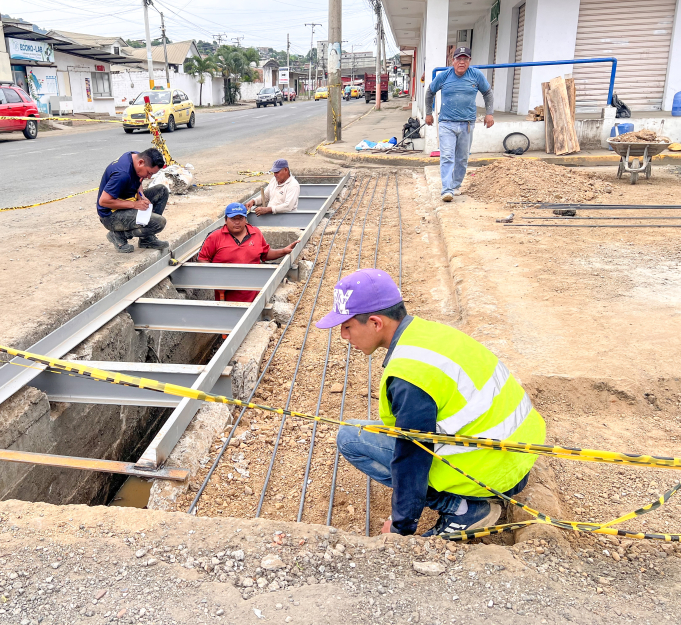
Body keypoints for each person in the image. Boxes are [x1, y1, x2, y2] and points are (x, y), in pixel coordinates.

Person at [316, 268, 546, 537]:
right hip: (516, 461)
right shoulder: (430, 333)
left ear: (376, 323)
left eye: (347, 327)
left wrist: (400, 526)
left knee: (350, 437)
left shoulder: (410, 375)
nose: (344, 336)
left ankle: (463, 509)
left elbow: (412, 457)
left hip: (491, 473)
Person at [425, 47, 495, 203]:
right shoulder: (444, 76)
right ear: (452, 60)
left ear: (469, 61)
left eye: (465, 59)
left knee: (462, 158)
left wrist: (489, 113)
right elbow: (430, 91)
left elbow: (488, 93)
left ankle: (455, 186)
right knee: (448, 156)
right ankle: (446, 189)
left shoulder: (476, 75)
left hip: (467, 124)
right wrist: (428, 113)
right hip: (447, 124)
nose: (461, 62)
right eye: (458, 59)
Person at [197, 203, 298, 302]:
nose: (237, 222)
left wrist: (283, 251)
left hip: (255, 294)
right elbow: (203, 258)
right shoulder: (215, 237)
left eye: (240, 218)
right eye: (233, 218)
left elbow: (265, 254)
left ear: (245, 219)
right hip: (227, 298)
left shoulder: (255, 233)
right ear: (225, 220)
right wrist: (215, 280)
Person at [97, 148, 168, 253]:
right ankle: (118, 235)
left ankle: (146, 239)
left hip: (128, 201)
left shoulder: (137, 158)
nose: (149, 177)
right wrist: (134, 205)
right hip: (110, 215)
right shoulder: (122, 174)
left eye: (152, 174)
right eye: (149, 173)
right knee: (158, 222)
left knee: (162, 190)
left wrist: (141, 195)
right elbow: (103, 202)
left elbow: (138, 180)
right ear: (141, 163)